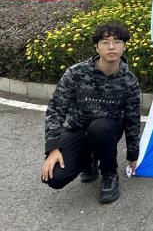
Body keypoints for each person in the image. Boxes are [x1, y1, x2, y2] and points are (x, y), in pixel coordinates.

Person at [41, 23, 141, 204]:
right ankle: (89, 163)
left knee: (100, 127)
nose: (111, 47)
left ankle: (109, 174)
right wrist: (53, 148)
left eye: (117, 42)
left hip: (106, 131)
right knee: (55, 178)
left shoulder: (129, 81)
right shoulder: (76, 73)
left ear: (124, 46)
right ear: (96, 47)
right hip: (77, 129)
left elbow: (132, 119)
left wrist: (133, 155)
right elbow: (56, 109)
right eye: (105, 42)